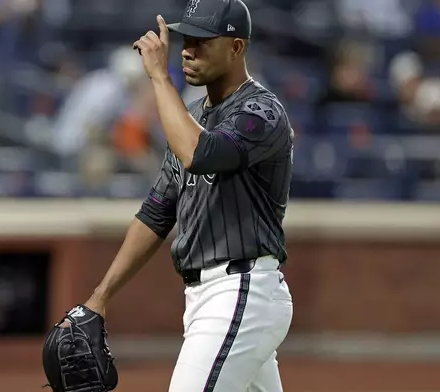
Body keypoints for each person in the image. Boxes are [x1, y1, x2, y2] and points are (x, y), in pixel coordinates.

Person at [76, 0, 295, 391]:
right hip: (207, 298)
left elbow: (200, 153)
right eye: (185, 40)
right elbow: (157, 212)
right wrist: (100, 296)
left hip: (240, 290)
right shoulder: (192, 115)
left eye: (202, 40)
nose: (187, 51)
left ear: (236, 47)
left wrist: (159, 79)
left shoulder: (262, 112)